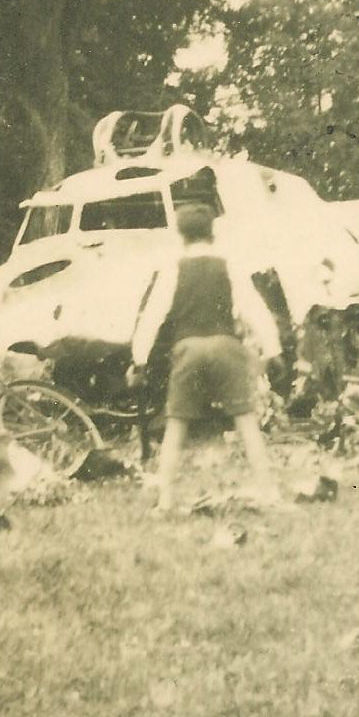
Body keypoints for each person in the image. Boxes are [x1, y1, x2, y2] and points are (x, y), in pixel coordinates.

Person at [129, 204, 285, 513]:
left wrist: (139, 361)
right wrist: (273, 350)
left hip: (188, 348)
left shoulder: (173, 268)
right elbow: (254, 308)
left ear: (182, 235)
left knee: (176, 426)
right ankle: (268, 494)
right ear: (212, 232)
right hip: (227, 346)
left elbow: (152, 316)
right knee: (246, 422)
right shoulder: (229, 265)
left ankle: (165, 501)